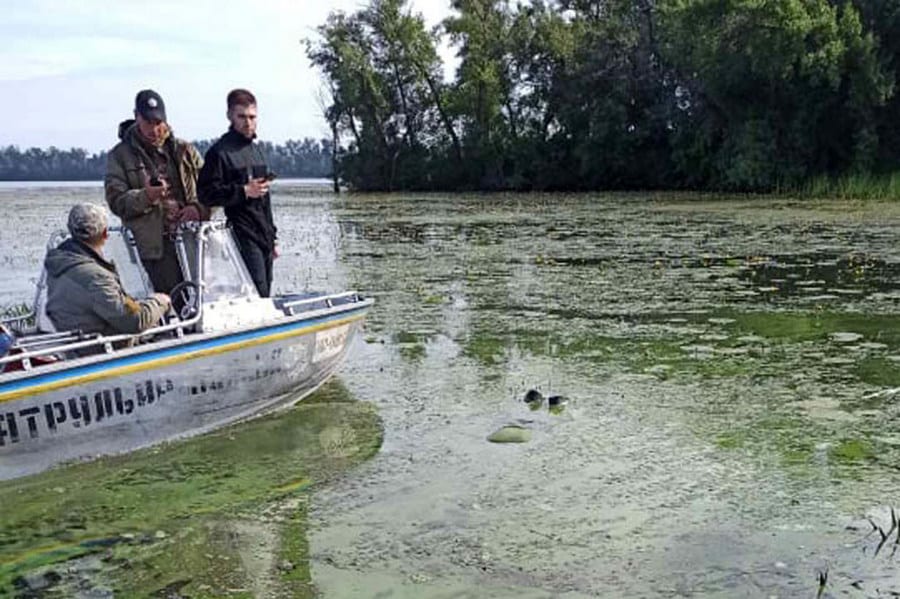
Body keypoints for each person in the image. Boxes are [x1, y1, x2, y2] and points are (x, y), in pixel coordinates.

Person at [105, 89, 210, 294]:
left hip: (193, 242)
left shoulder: (185, 150)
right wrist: (147, 196)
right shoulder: (119, 156)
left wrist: (198, 209)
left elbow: (213, 190)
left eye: (158, 122)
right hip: (154, 250)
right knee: (169, 303)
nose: (155, 129)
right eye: (148, 123)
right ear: (137, 117)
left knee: (203, 300)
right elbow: (116, 202)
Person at [44, 204, 171, 337]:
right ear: (105, 234)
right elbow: (135, 322)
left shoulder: (60, 261)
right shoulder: (97, 277)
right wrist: (160, 301)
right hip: (98, 346)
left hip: (74, 336)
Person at [198, 88, 278, 297]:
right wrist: (243, 191)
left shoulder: (257, 151)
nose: (248, 122)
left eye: (252, 117)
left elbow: (264, 200)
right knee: (257, 291)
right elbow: (205, 194)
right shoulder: (219, 153)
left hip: (263, 234)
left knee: (266, 291)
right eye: (241, 116)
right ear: (230, 116)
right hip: (241, 233)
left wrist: (273, 238)